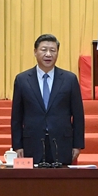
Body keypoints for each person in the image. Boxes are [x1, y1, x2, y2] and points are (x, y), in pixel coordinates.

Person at [11, 34, 84, 166]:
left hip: (62, 143)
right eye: (44, 50)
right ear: (35, 52)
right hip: (31, 143)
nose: (48, 54)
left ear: (57, 53)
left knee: (61, 179)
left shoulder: (70, 79)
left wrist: (77, 145)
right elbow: (16, 116)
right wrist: (17, 145)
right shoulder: (22, 80)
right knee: (33, 179)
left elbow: (78, 116)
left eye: (53, 50)